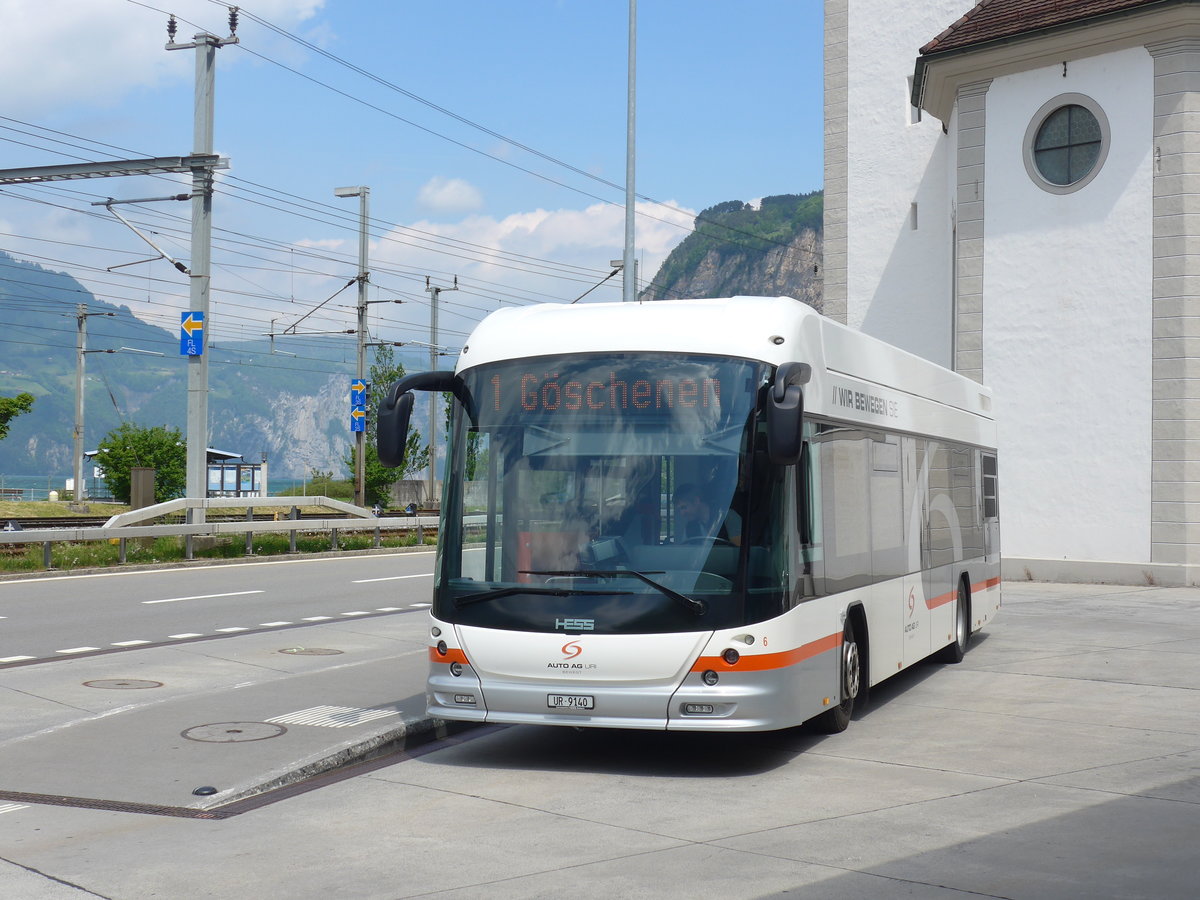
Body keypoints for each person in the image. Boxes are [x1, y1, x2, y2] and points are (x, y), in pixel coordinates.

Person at [674, 482, 741, 545]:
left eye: (684, 507)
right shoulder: (689, 528)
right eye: (679, 509)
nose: (682, 513)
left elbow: (738, 551)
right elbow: (686, 553)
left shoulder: (728, 517)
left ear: (696, 501)